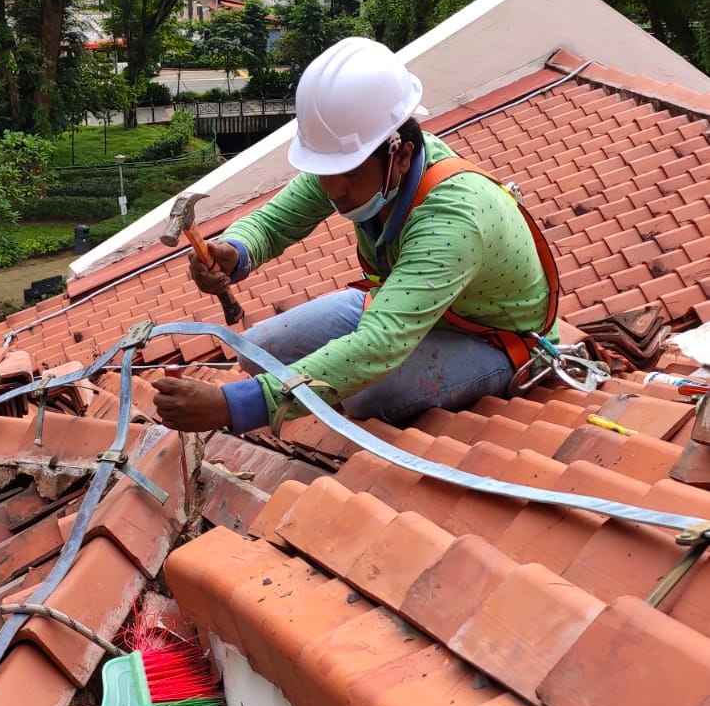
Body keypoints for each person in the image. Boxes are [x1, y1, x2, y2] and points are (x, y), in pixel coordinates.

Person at [153, 37, 559, 436]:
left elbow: (379, 345)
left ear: (401, 155)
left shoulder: (453, 217)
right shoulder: (358, 163)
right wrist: (234, 251)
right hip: (405, 307)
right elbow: (273, 223)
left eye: (346, 173)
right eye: (324, 171)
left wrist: (233, 406)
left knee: (368, 394)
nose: (333, 189)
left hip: (493, 339)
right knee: (258, 350)